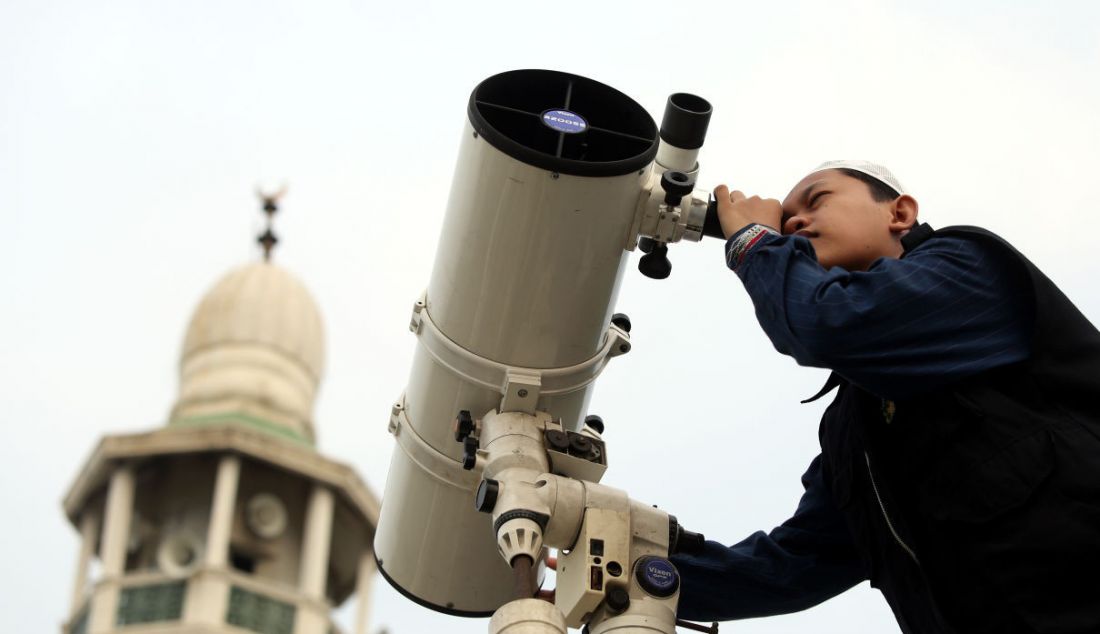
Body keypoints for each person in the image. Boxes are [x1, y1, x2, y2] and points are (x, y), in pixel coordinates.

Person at [670, 161, 1100, 633]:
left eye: (816, 201)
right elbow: (791, 567)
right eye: (784, 218)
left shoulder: (967, 268)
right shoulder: (853, 427)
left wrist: (755, 240)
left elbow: (826, 324)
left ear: (900, 213)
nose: (790, 223)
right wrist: (633, 568)